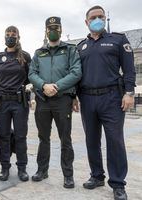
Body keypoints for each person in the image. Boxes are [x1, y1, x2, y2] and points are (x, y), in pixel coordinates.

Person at [76, 6, 136, 200]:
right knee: (91, 140)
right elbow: (76, 75)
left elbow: (129, 69)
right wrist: (74, 97)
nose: (98, 19)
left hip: (112, 98)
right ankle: (97, 176)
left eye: (101, 16)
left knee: (115, 141)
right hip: (87, 98)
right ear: (86, 22)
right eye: (93, 17)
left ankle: (118, 184)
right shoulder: (81, 47)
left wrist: (129, 92)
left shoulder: (118, 40)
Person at [28, 17, 82, 188]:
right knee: (43, 138)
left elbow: (76, 73)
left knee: (65, 138)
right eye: (50, 27)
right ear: (45, 30)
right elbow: (32, 74)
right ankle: (42, 170)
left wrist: (56, 86)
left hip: (62, 100)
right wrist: (43, 85)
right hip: (43, 100)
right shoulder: (38, 53)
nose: (53, 30)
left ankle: (68, 175)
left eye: (56, 27)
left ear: (60, 29)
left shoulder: (70, 50)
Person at [0, 25, 31, 182]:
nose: (10, 36)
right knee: (3, 136)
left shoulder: (25, 56)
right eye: (7, 34)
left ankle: (22, 168)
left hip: (20, 103)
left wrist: (31, 96)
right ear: (4, 37)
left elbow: (31, 78)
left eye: (13, 34)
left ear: (18, 37)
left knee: (20, 136)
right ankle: (5, 167)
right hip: (2, 103)